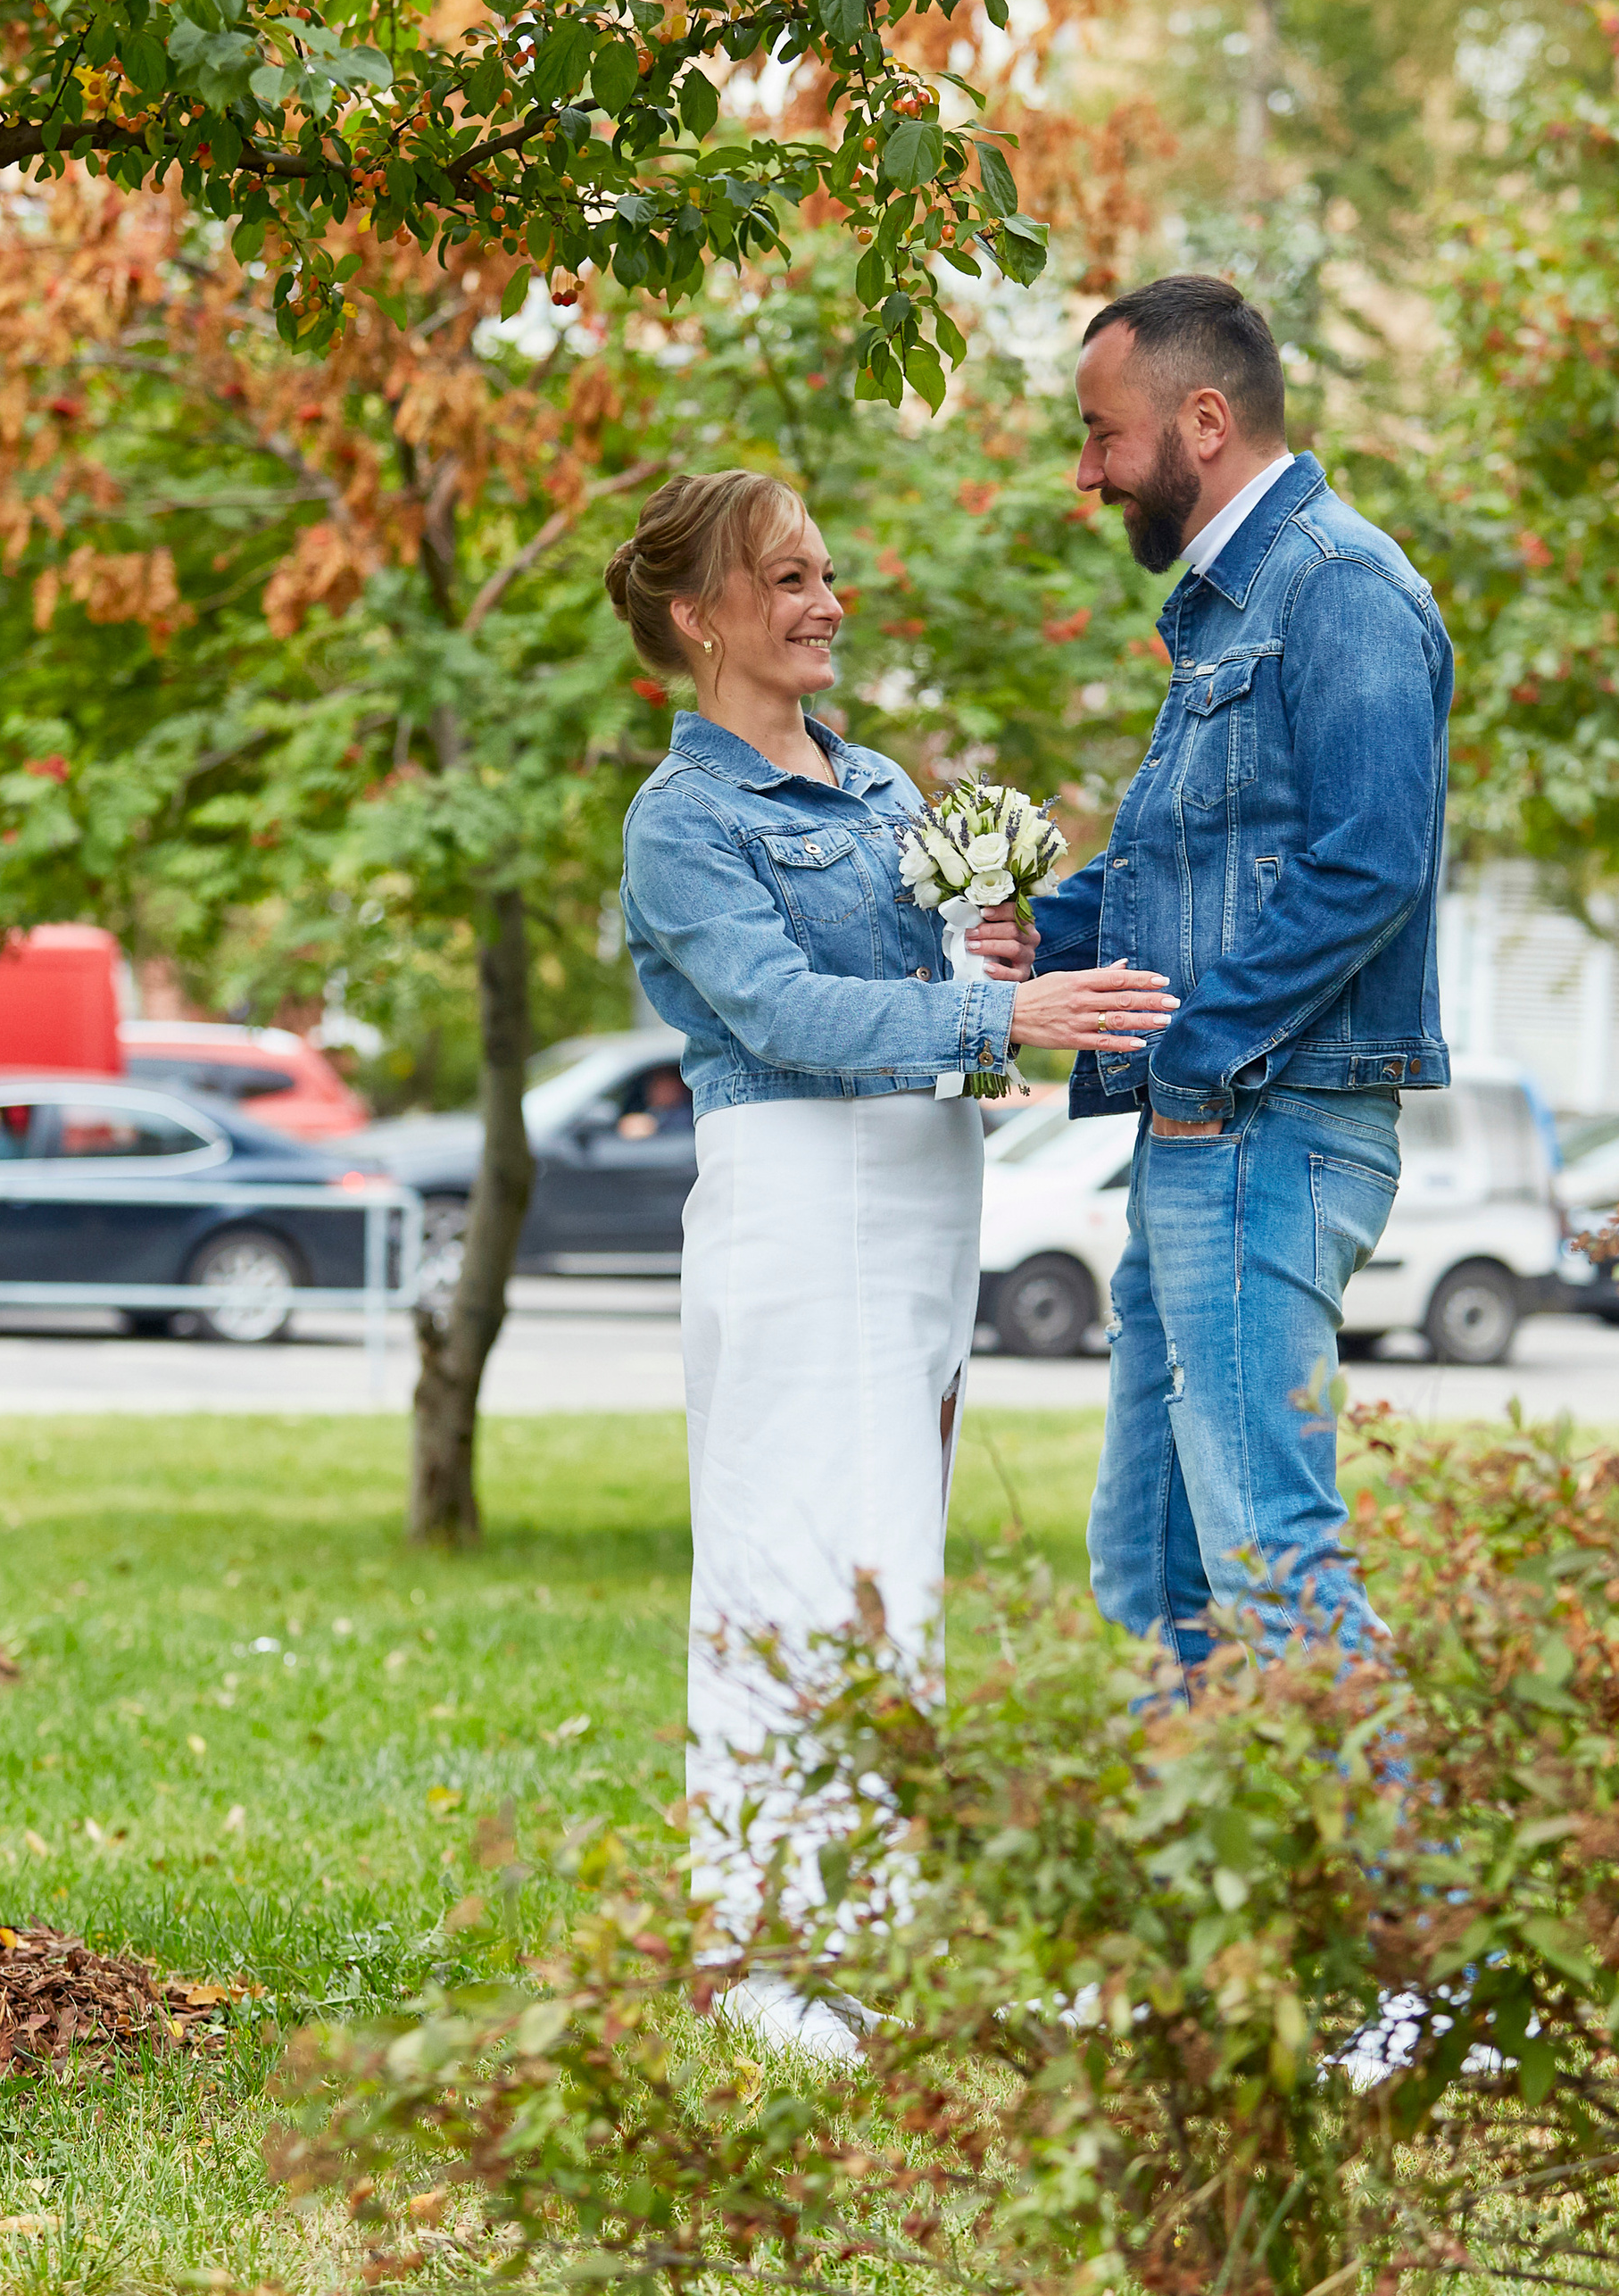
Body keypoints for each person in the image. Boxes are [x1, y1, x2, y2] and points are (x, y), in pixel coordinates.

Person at [608, 469, 1176, 2058]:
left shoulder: (880, 790)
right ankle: (755, 1956)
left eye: (825, 573)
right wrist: (1004, 1013)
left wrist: (988, 957)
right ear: (698, 615)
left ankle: (879, 1930)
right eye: (786, 579)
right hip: (797, 1202)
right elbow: (782, 1012)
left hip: (923, 1199)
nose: (826, 603)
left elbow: (931, 1000)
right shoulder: (684, 820)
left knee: (890, 1566)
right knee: (788, 1560)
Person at [1028, 276, 1453, 1676]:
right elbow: (1184, 859)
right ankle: (1197, 1821)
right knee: (1154, 1574)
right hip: (1209, 1127)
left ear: (1202, 423)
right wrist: (1033, 936)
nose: (1087, 472)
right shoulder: (1233, 607)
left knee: (1273, 1561)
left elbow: (1370, 864)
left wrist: (1196, 1060)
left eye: (1102, 434)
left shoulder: (1337, 586)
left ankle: (1392, 1833)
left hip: (1269, 1125)